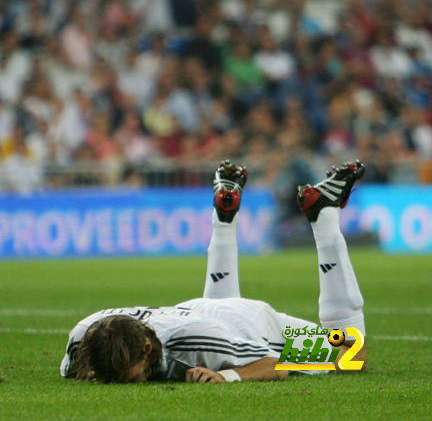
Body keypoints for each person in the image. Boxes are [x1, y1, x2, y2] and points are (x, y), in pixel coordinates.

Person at [61, 160, 368, 383]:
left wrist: (226, 376)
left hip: (254, 323)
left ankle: (325, 217)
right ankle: (223, 220)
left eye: (134, 376)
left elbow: (274, 364)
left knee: (352, 351)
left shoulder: (198, 343)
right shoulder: (84, 338)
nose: (133, 384)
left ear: (146, 348)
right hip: (199, 310)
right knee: (214, 325)